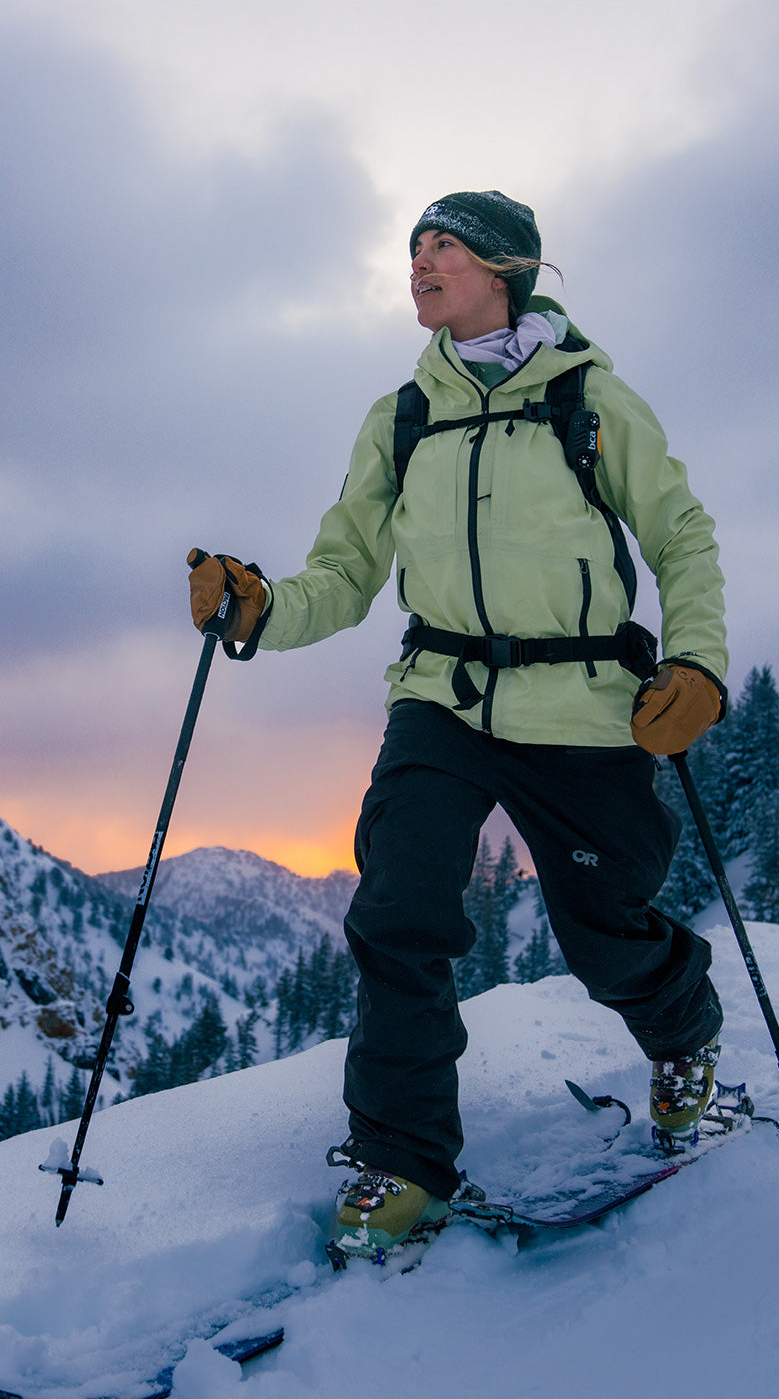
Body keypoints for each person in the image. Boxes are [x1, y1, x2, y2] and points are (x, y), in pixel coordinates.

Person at [188, 190, 729, 1264]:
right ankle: (403, 1160)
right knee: (397, 905)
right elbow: (344, 575)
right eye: (414, 248)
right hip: (440, 695)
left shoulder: (589, 396)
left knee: (605, 923)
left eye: (444, 245)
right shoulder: (402, 415)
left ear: (505, 267)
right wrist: (258, 605)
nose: (421, 261)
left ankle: (684, 1043)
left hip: (578, 703)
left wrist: (697, 660)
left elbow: (678, 532)